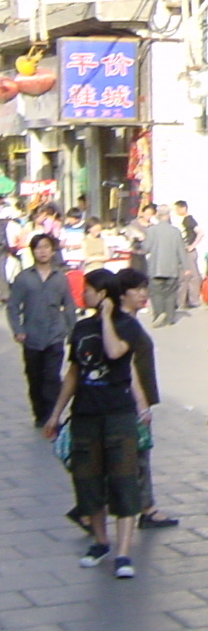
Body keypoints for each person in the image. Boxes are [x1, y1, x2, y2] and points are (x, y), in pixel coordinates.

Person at [41, 270, 148, 578]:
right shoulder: (80, 328)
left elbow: (115, 352)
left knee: (124, 480)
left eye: (87, 290)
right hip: (86, 414)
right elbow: (73, 373)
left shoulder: (128, 326)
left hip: (118, 414)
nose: (82, 295)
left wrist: (106, 319)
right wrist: (55, 413)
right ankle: (101, 541)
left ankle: (124, 551)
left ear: (102, 295)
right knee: (87, 480)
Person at [110, 270, 177, 531]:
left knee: (136, 455)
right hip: (131, 401)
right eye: (137, 290)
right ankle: (144, 508)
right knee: (135, 455)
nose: (143, 294)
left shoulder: (129, 322)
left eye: (144, 289)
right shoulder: (124, 324)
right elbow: (126, 366)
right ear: (122, 294)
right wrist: (140, 402)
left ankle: (144, 506)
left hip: (136, 399)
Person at [8, 231, 70, 426]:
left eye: (46, 247)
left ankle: (52, 416)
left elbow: (68, 304)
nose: (42, 252)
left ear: (53, 251)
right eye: (38, 248)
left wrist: (72, 330)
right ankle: (39, 412)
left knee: (52, 377)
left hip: (55, 335)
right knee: (35, 378)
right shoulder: (24, 278)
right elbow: (12, 306)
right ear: (33, 252)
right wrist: (18, 329)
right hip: (32, 336)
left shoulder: (60, 277)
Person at [139, 206, 187, 328]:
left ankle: (159, 314)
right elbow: (181, 251)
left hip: (155, 268)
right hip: (171, 269)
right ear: (168, 215)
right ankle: (170, 318)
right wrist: (186, 267)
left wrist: (140, 243)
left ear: (157, 215)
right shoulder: (175, 232)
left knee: (156, 293)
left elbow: (146, 248)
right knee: (170, 293)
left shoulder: (151, 230)